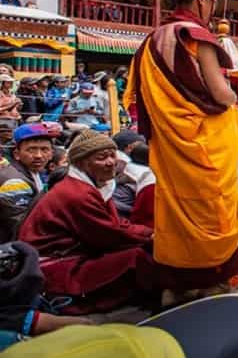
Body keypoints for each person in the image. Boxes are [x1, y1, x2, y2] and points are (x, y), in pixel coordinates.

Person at [123, 0, 238, 304]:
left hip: (170, 146)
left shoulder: (150, 42)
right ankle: (208, 282)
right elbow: (220, 93)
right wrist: (233, 93)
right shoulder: (196, 37)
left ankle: (174, 285)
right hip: (204, 147)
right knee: (211, 211)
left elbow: (135, 97)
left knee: (177, 215)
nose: (214, 7)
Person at [18, 130, 154, 313]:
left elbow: (114, 224)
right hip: (55, 266)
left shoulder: (92, 186)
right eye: (101, 158)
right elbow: (109, 233)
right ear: (82, 163)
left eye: (112, 156)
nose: (110, 162)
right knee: (136, 257)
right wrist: (151, 235)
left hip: (69, 254)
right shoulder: (77, 193)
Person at [0, 124, 59, 242]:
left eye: (44, 149)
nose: (38, 155)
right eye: (31, 149)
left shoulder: (37, 173)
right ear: (17, 154)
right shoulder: (14, 182)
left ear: (52, 153)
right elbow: (22, 226)